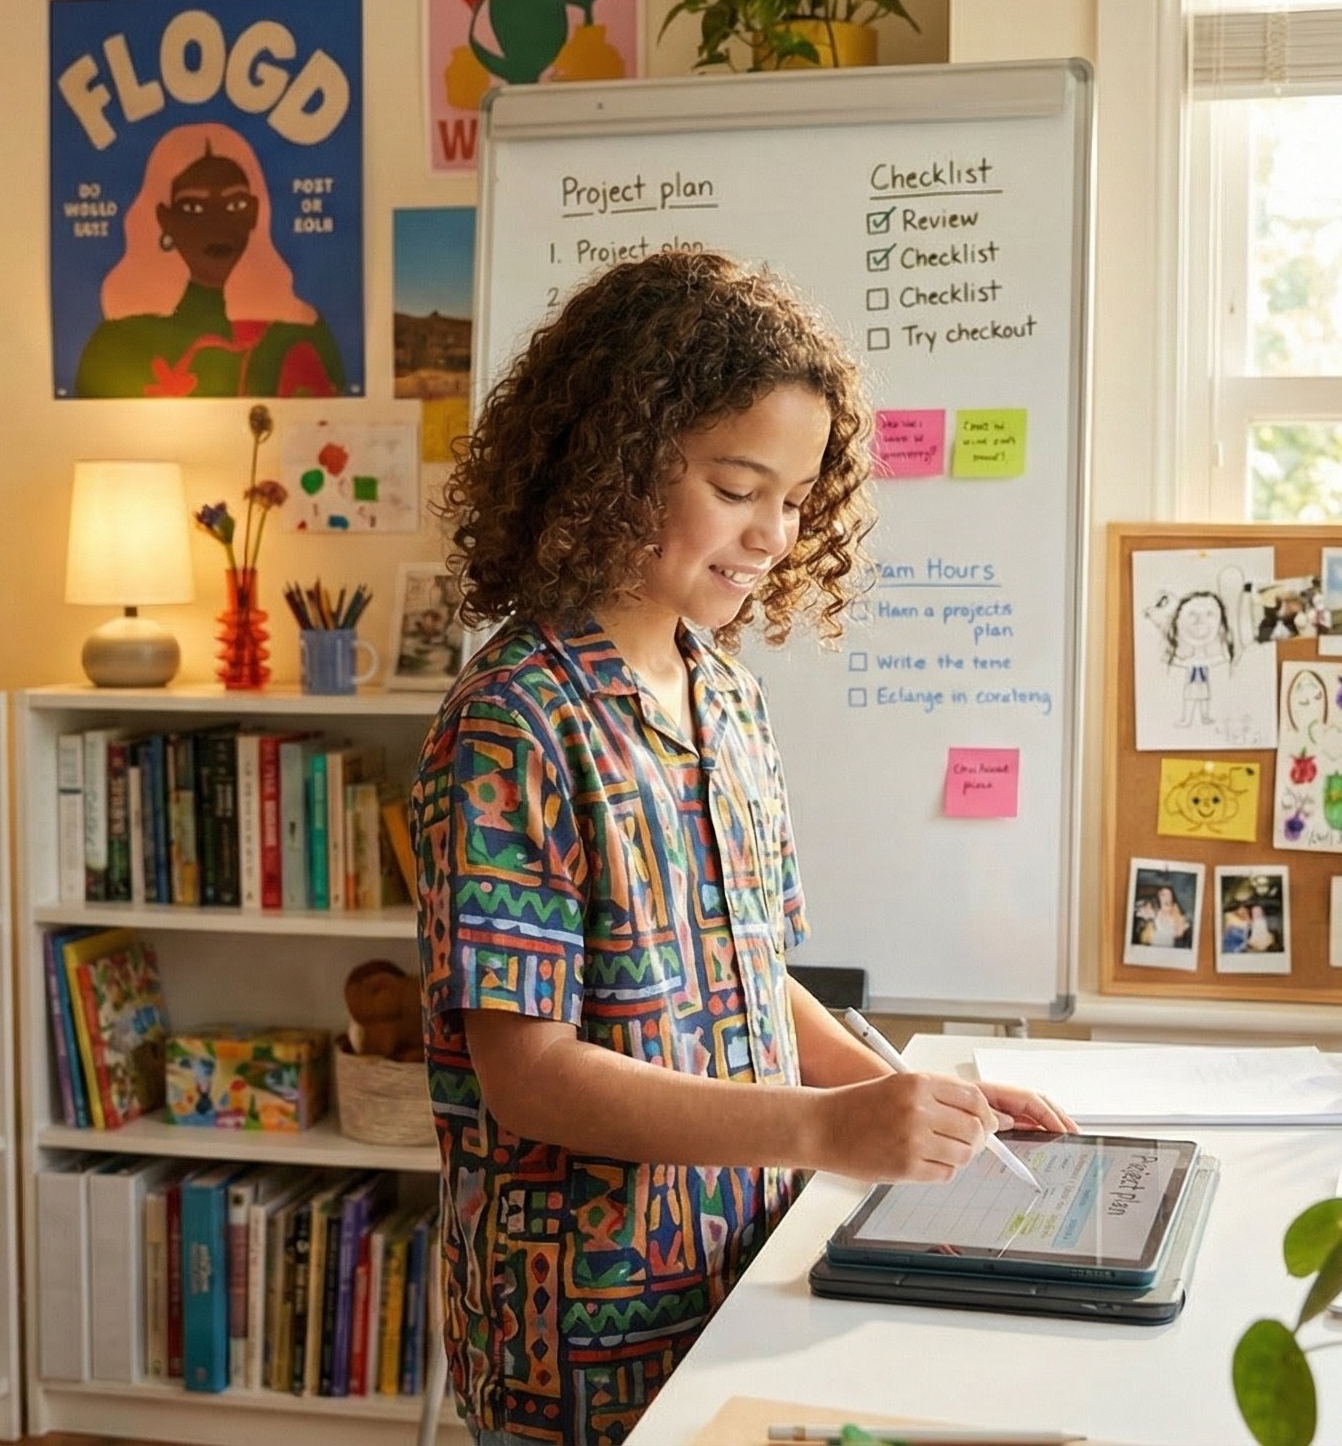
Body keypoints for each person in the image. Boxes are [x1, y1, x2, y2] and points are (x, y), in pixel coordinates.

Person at [413, 250, 1074, 1446]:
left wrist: (887, 1093)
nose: (774, 532)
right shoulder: (513, 719)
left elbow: (743, 969)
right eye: (735, 486)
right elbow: (530, 1073)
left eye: (797, 498)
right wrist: (825, 1129)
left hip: (738, 1267)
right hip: (582, 1334)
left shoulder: (723, 692)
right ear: (611, 467)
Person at [72, 121, 349, 399]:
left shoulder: (302, 331)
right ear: (165, 219)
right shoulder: (116, 342)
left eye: (235, 205)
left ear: (254, 213)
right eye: (193, 207)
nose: (217, 224)